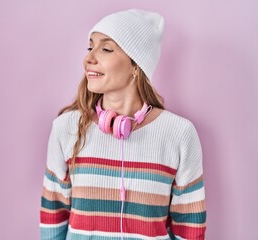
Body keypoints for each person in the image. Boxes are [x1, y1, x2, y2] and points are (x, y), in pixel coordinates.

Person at [40, 9, 206, 240]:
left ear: (136, 67)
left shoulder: (179, 134)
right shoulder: (65, 128)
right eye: (90, 47)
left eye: (106, 49)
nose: (88, 58)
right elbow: (53, 217)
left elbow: (190, 228)